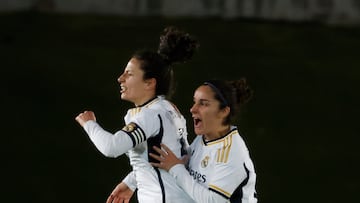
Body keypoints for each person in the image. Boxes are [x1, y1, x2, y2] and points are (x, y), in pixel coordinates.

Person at [75, 26, 199, 203]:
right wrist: (131, 182)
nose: (120, 78)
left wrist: (89, 123)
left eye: (129, 74)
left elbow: (111, 147)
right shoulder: (169, 109)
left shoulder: (151, 115)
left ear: (149, 83)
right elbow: (162, 159)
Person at [150, 78, 258, 203]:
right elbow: (178, 163)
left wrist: (176, 168)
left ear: (224, 111)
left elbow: (212, 200)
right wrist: (131, 183)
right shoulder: (204, 137)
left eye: (203, 103)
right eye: (195, 102)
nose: (193, 109)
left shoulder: (232, 153)